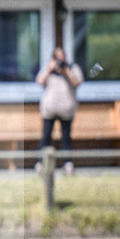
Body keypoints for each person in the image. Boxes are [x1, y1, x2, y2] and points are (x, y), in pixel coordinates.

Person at [34, 47, 83, 175]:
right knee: (46, 137)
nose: (60, 61)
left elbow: (77, 82)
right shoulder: (49, 69)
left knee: (66, 138)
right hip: (49, 110)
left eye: (62, 58)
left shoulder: (72, 68)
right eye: (57, 59)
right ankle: (41, 163)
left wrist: (66, 71)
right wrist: (49, 69)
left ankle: (67, 164)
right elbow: (39, 81)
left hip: (66, 110)